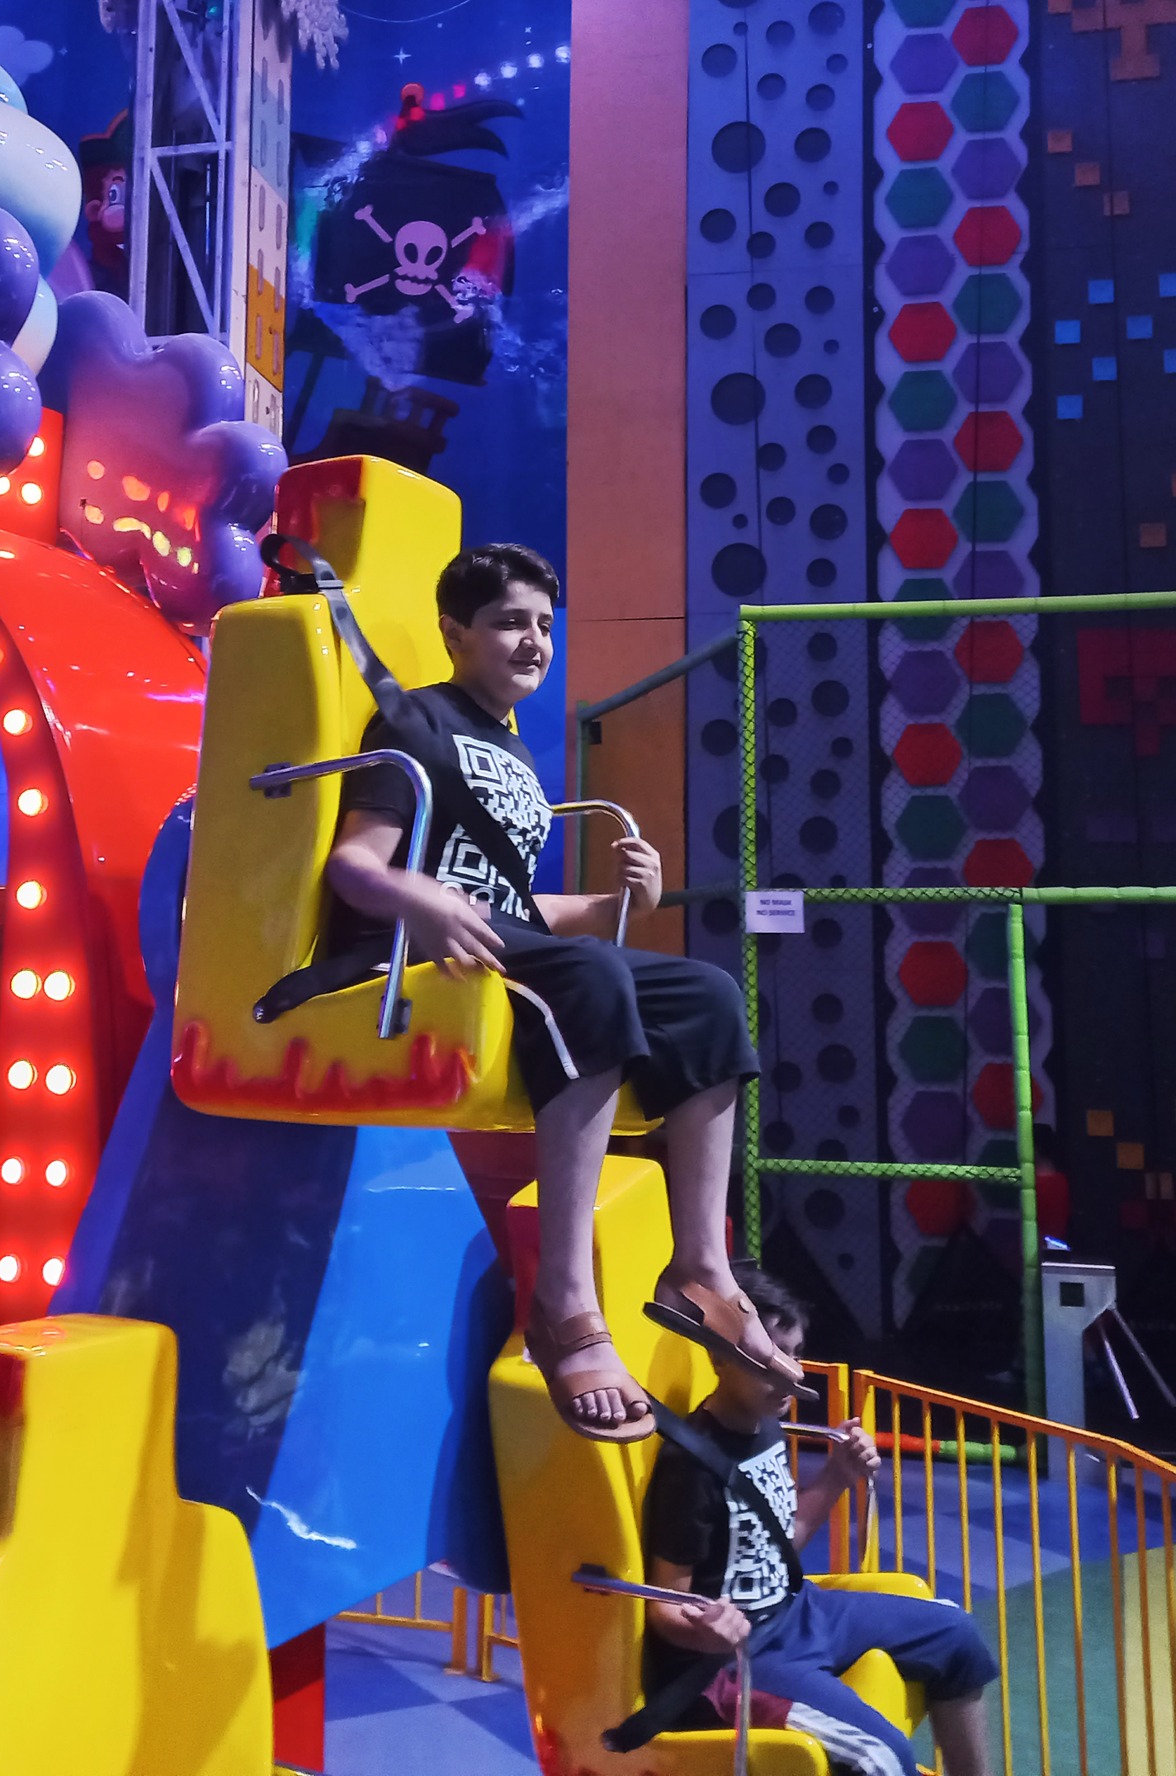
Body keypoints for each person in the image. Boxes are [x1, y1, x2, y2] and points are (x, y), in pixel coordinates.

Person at [326, 541, 800, 1442]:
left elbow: (516, 907)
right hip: (410, 950)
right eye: (509, 622)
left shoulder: (510, 748)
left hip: (501, 939)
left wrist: (615, 904)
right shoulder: (414, 724)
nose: (534, 641)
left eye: (545, 624)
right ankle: (562, 1300)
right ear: (454, 633)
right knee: (588, 973)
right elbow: (355, 865)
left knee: (704, 995)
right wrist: (420, 897)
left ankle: (700, 1268)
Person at [641, 1268, 996, 1776]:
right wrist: (707, 1632)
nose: (791, 1373)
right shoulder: (691, 1466)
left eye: (796, 1353)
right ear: (718, 1357)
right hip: (733, 1661)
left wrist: (837, 1475)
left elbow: (778, 1547)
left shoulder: (766, 1425)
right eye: (767, 1358)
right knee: (882, 1756)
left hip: (797, 1611)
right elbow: (663, 1607)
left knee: (957, 1636)